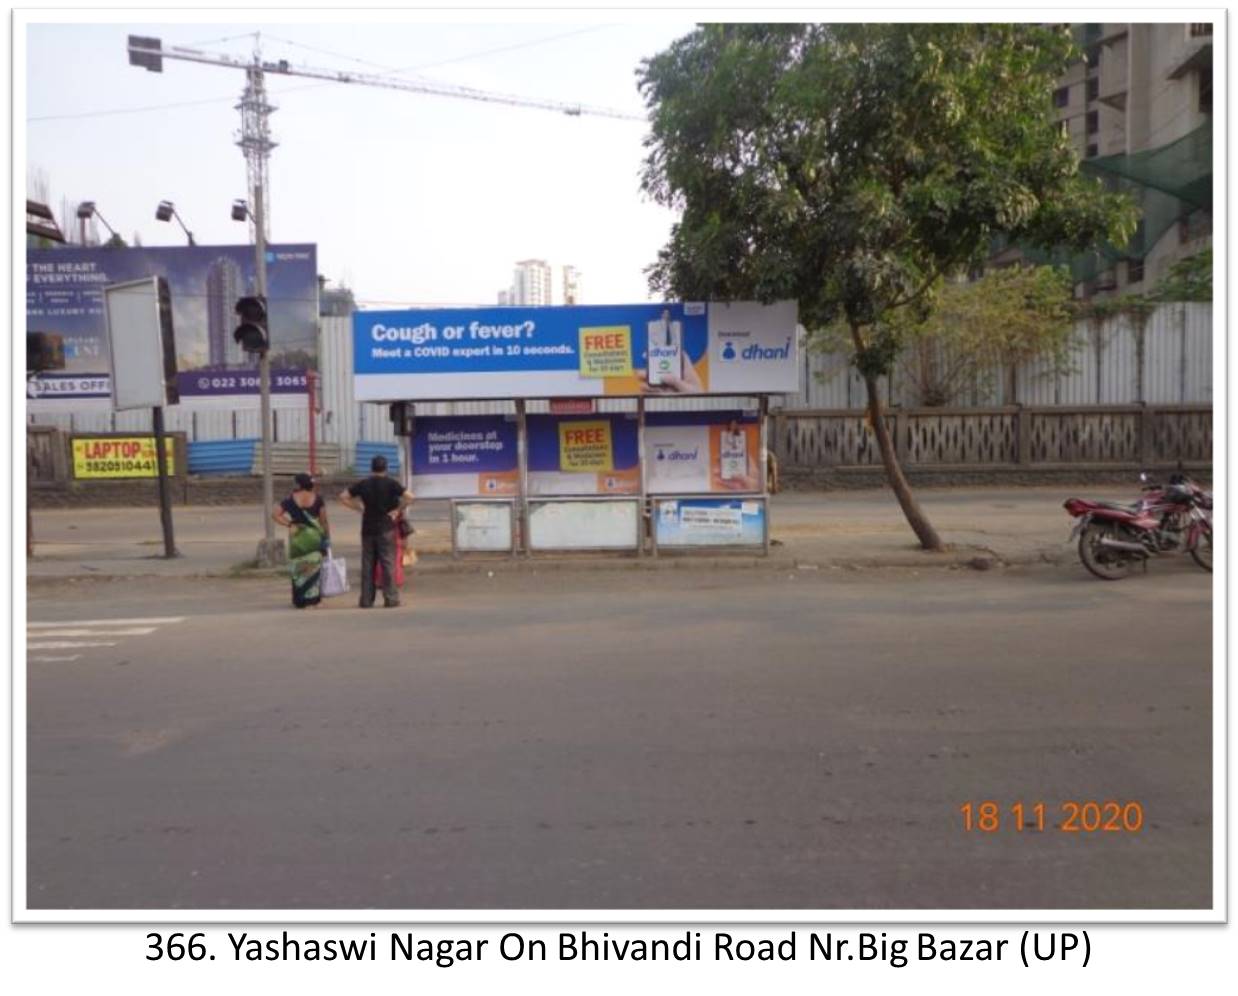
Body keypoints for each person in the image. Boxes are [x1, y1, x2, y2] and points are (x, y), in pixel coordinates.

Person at [339, 454, 413, 608]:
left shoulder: (364, 484)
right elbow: (410, 497)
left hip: (367, 529)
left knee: (367, 565)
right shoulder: (392, 484)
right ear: (386, 468)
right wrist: (397, 510)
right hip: (386, 529)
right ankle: (391, 599)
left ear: (371, 468)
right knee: (387, 564)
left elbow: (343, 497)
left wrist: (358, 507)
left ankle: (366, 600)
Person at [272, 472, 330, 609]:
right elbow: (324, 521)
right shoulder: (318, 499)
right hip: (314, 538)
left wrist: (289, 524)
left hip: (297, 538)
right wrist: (326, 538)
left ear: (298, 484)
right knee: (314, 568)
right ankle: (313, 600)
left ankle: (299, 600)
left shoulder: (290, 499)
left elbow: (275, 514)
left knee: (298, 568)